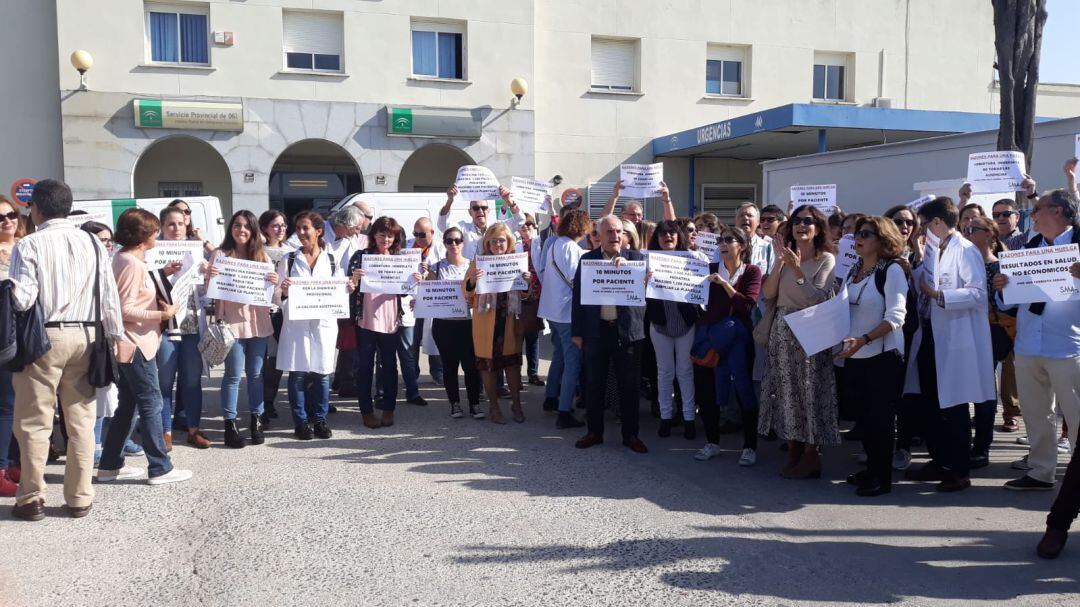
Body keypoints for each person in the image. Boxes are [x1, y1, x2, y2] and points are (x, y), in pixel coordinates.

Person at [8, 180, 125, 520]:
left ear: (36, 209)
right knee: (82, 421)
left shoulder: (28, 244)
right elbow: (108, 295)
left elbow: (23, 298)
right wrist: (115, 335)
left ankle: (31, 498)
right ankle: (78, 498)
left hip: (43, 337)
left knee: (34, 422)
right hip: (88, 336)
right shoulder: (91, 241)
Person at [903, 197, 996, 493]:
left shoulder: (965, 251)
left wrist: (938, 295)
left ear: (937, 223)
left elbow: (978, 294)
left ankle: (959, 470)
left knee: (954, 408)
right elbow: (925, 280)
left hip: (956, 339)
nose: (921, 231)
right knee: (931, 404)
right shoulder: (934, 249)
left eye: (923, 225)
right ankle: (939, 460)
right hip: (932, 335)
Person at [97, 208, 193, 487]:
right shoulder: (131, 263)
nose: (158, 234)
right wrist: (161, 315)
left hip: (135, 343)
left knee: (128, 405)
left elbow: (132, 294)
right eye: (154, 230)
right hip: (136, 344)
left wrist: (162, 274)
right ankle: (160, 467)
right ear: (142, 235)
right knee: (151, 402)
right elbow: (124, 308)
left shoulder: (127, 259)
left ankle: (109, 466)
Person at [993, 189, 1080, 494]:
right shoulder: (1029, 249)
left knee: (1077, 414)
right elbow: (1007, 304)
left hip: (1070, 345)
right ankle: (1041, 472)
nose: (1033, 214)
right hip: (1030, 344)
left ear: (1057, 211)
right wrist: (1002, 288)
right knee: (1035, 412)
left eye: (1037, 209)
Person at [758, 204, 838, 479]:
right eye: (796, 221)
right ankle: (793, 446)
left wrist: (798, 270)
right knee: (786, 392)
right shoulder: (782, 257)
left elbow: (815, 298)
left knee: (809, 392)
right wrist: (781, 264)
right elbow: (768, 294)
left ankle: (810, 454)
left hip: (810, 329)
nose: (801, 226)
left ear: (818, 228)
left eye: (808, 221)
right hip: (782, 328)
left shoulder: (825, 258)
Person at [838, 216, 908, 496]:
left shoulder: (891, 271)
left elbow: (896, 317)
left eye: (866, 234)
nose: (859, 238)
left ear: (883, 240)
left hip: (881, 356)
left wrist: (865, 338)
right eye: (858, 233)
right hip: (854, 355)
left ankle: (882, 477)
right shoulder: (854, 269)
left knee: (880, 420)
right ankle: (870, 469)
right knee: (864, 420)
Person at [571, 215, 649, 454]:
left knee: (630, 386)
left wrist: (636, 275)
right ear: (599, 236)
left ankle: (631, 435)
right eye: (609, 232)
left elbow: (649, 291)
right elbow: (578, 299)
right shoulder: (587, 260)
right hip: (596, 332)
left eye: (618, 232)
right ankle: (594, 432)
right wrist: (577, 332)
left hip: (627, 333)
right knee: (594, 384)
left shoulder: (637, 259)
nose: (615, 236)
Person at [207, 210, 280, 448]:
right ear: (231, 228)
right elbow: (209, 292)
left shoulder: (262, 257)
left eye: (247, 226)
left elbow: (275, 298)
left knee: (257, 375)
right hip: (232, 325)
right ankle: (230, 424)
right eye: (237, 225)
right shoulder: (220, 255)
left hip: (258, 324)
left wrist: (274, 284)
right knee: (232, 375)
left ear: (254, 231)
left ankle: (257, 420)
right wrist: (209, 276)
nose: (241, 230)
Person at [693, 226, 763, 465]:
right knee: (708, 392)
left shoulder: (752, 272)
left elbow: (747, 305)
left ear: (741, 245)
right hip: (712, 337)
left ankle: (750, 447)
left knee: (744, 390)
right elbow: (687, 293)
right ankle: (712, 442)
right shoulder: (709, 269)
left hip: (739, 340)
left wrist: (724, 284)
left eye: (729, 240)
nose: (723, 244)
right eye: (720, 240)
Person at [276, 211, 346, 440]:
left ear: (318, 231)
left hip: (323, 325)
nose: (302, 232)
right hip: (297, 324)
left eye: (306, 228)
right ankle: (301, 421)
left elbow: (340, 291)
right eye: (298, 228)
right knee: (297, 374)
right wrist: (283, 290)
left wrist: (348, 289)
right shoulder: (289, 259)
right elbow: (276, 296)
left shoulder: (332, 259)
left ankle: (320, 419)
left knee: (322, 373)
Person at [462, 223, 531, 424]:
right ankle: (493, 407)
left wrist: (526, 282)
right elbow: (467, 294)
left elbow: (526, 295)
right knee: (488, 367)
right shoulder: (478, 263)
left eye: (501, 240)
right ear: (487, 243)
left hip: (509, 320)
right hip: (486, 323)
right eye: (493, 241)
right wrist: (473, 280)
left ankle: (516, 405)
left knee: (512, 366)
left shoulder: (516, 262)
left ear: (509, 242)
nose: (497, 244)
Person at [154, 206, 209, 449]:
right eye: (170, 224)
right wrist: (161, 272)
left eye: (180, 224)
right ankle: (165, 431)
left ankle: (193, 429)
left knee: (191, 381)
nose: (176, 229)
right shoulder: (152, 252)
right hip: (164, 327)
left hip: (190, 326)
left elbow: (205, 293)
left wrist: (209, 277)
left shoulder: (196, 254)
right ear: (162, 228)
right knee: (164, 382)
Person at [962, 214, 1010, 470]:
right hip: (962, 330)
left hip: (990, 331)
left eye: (974, 228)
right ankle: (962, 442)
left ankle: (982, 446)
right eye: (965, 227)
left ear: (990, 235)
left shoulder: (1000, 266)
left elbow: (1011, 304)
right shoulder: (960, 263)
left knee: (984, 390)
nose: (967, 232)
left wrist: (1003, 288)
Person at [349, 216, 406, 429]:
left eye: (390, 235)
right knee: (364, 367)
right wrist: (354, 278)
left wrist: (414, 280)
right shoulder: (361, 256)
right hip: (365, 320)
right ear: (374, 235)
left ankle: (389, 408)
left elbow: (404, 291)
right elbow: (349, 286)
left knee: (390, 366)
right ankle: (366, 411)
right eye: (382, 234)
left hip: (390, 320)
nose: (386, 238)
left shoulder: (399, 258)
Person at [645, 220, 699, 438]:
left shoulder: (693, 259)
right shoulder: (647, 260)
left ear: (679, 237)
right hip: (659, 323)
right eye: (663, 234)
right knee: (664, 372)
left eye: (672, 234)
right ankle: (666, 417)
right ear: (657, 238)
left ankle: (689, 419)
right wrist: (643, 281)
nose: (667, 237)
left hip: (686, 323)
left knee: (685, 371)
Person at [537, 209, 589, 429]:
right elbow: (578, 283)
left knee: (558, 355)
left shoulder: (554, 245)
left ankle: (551, 397)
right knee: (572, 363)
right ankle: (564, 411)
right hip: (567, 313)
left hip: (551, 310)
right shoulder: (574, 250)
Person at [427, 227, 484, 419]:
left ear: (463, 243)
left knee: (471, 366)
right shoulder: (435, 267)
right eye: (449, 241)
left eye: (457, 240)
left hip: (468, 323)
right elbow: (429, 295)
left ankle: (475, 403)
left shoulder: (472, 266)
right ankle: (455, 404)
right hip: (444, 325)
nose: (454, 244)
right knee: (449, 366)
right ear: (444, 243)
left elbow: (479, 293)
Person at [259, 209, 290, 423]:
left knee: (275, 360)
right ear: (264, 229)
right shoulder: (256, 252)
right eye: (275, 226)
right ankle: (259, 403)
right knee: (259, 361)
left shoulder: (292, 252)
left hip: (281, 311)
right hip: (259, 311)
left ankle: (268, 400)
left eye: (283, 226)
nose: (280, 230)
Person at [0, 198, 22, 496]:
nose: (6, 221)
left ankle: (17, 462)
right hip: (3, 336)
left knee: (23, 403)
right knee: (5, 404)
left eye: (11, 214)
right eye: (0, 218)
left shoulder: (26, 245)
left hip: (28, 334)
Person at [408, 217, 445, 386]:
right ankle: (412, 374)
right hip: (412, 299)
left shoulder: (441, 249)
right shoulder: (407, 247)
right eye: (415, 233)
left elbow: (444, 276)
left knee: (434, 337)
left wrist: (429, 272)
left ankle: (438, 373)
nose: (418, 237)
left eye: (422, 234)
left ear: (432, 233)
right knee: (412, 339)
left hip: (432, 299)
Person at [438, 184, 524, 259]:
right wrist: (450, 200)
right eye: (476, 208)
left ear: (488, 210)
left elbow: (520, 220)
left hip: (493, 273)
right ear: (470, 212)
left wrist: (509, 200)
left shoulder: (498, 228)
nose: (480, 211)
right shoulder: (463, 228)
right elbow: (443, 225)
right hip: (471, 274)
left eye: (484, 208)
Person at [517, 214, 545, 387]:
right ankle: (516, 375)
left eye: (530, 225)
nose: (526, 228)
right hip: (518, 295)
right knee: (517, 337)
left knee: (533, 336)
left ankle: (533, 373)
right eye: (523, 225)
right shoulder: (514, 245)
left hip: (535, 295)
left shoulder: (540, 244)